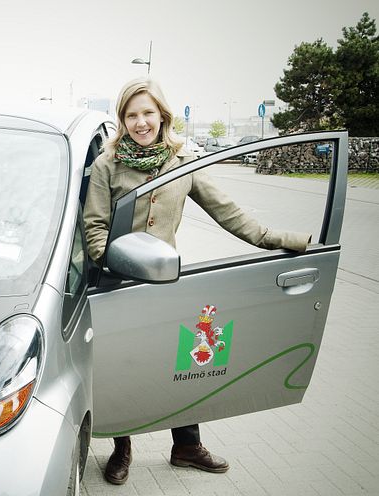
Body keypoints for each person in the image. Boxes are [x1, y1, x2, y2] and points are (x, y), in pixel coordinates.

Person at [83, 77, 311, 485]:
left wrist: (277, 239)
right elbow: (95, 229)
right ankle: (122, 447)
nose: (140, 122)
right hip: (120, 283)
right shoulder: (107, 164)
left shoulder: (182, 160)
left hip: (169, 281)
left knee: (180, 362)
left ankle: (186, 446)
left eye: (147, 113)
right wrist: (114, 263)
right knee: (127, 364)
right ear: (122, 119)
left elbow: (227, 211)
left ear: (162, 115)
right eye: (131, 115)